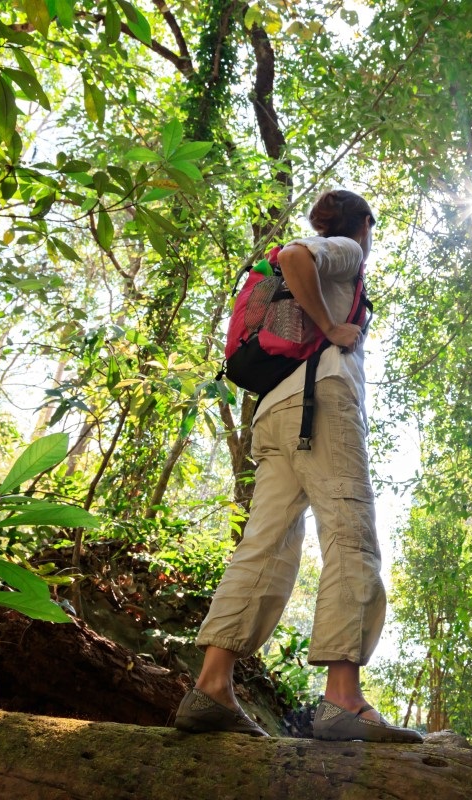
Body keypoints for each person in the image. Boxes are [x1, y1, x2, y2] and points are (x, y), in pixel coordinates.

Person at [175, 190, 422, 744]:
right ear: (363, 225)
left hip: (275, 414)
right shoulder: (347, 250)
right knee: (350, 534)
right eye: (372, 230)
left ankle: (212, 686)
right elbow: (294, 257)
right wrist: (334, 329)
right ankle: (343, 699)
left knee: (265, 544)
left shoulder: (328, 256)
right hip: (322, 405)